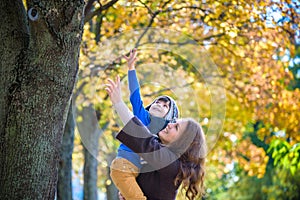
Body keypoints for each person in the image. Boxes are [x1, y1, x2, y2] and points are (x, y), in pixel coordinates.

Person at [105, 76, 207, 200]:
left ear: (183, 143)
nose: (170, 125)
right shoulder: (160, 160)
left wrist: (118, 103)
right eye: (174, 122)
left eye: (176, 127)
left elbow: (144, 140)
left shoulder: (171, 163)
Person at [109, 49, 180, 200]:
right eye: (157, 101)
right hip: (123, 166)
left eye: (165, 105)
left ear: (170, 117)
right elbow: (135, 93)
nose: (159, 104)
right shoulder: (141, 116)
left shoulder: (164, 134)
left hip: (136, 173)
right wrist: (131, 68)